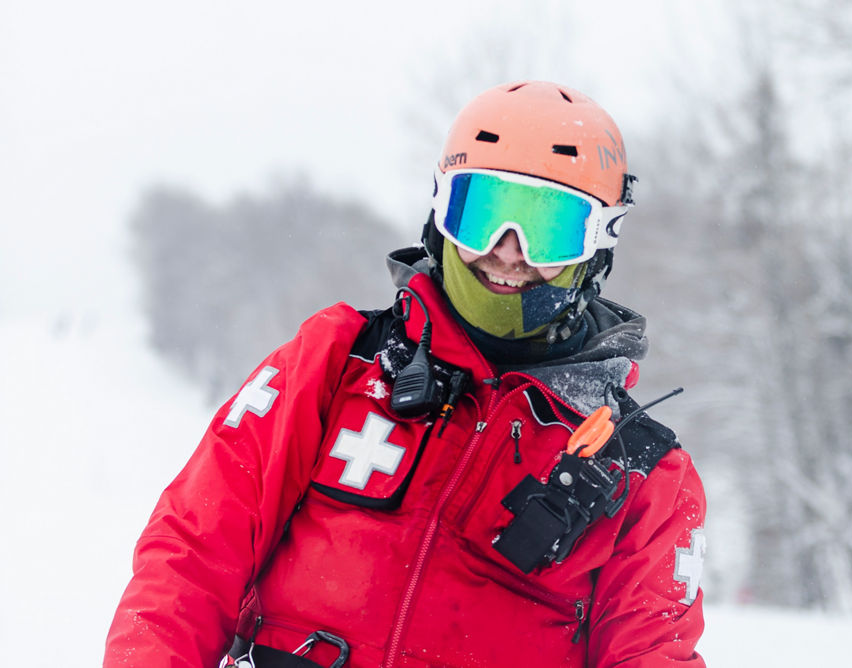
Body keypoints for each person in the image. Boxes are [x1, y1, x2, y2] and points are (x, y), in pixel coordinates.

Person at [105, 80, 706, 668]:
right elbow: (192, 553)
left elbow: (655, 656)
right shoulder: (339, 361)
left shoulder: (642, 473)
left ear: (596, 244)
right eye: (484, 215)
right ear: (442, 212)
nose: (508, 250)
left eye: (547, 229)